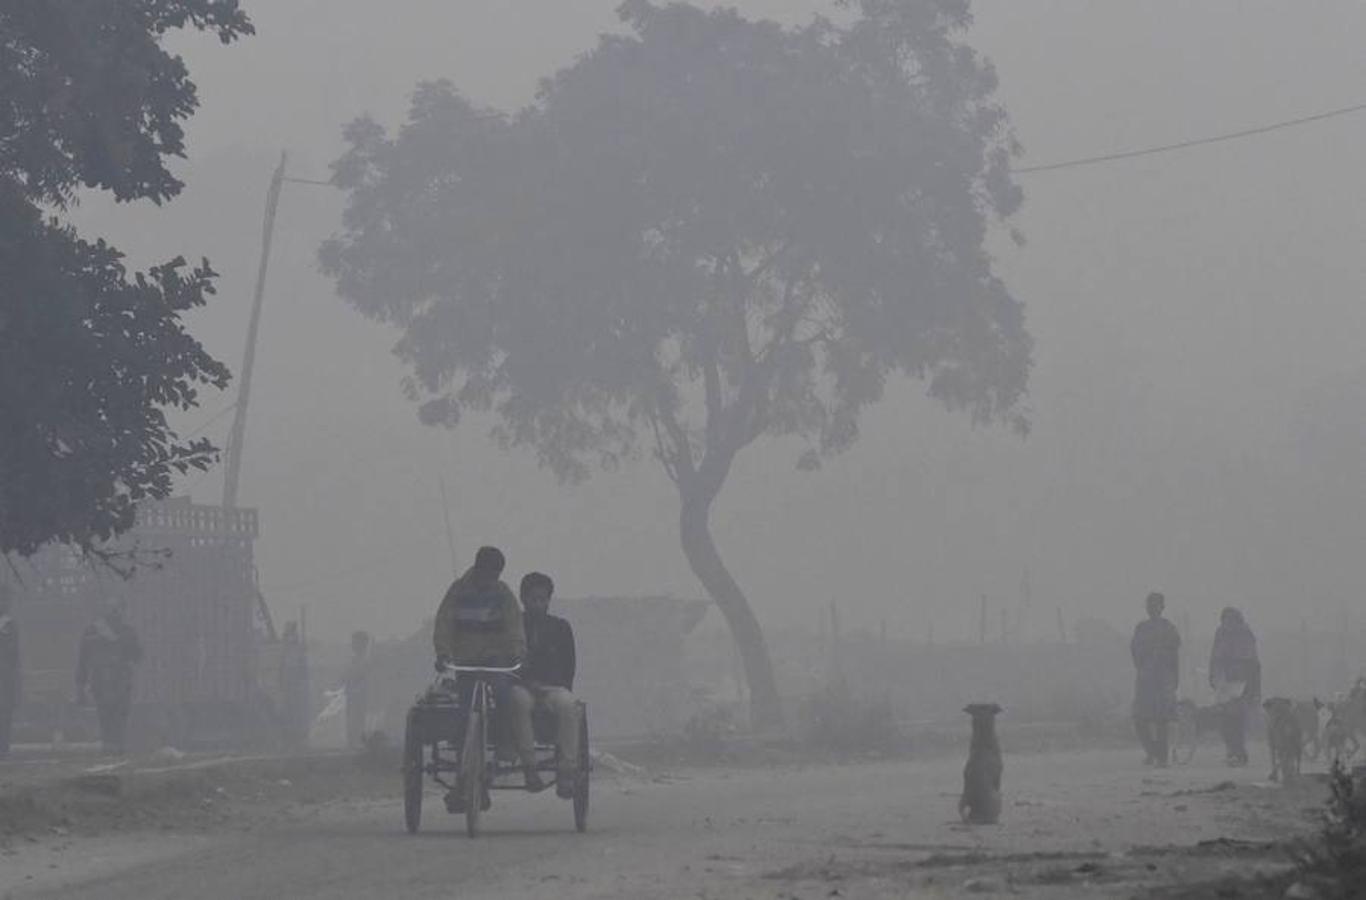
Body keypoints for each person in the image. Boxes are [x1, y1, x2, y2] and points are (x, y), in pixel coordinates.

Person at [433, 546, 541, 792]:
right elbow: (444, 624)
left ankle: (504, 742)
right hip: (465, 661)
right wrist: (443, 652)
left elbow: (515, 626)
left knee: (503, 695)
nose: (492, 579)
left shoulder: (503, 594)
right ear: (478, 567)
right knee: (463, 713)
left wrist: (518, 652)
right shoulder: (458, 591)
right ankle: (464, 764)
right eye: (490, 573)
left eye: (496, 574)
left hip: (495, 660)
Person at [515, 572, 581, 799]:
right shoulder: (513, 628)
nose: (538, 604)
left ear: (549, 600)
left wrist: (555, 685)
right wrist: (527, 682)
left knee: (569, 705)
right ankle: (530, 766)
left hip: (553, 688)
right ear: (523, 599)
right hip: (522, 687)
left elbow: (569, 666)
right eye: (534, 599)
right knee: (518, 701)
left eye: (543, 599)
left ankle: (567, 771)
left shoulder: (561, 627)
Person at [75, 599, 144, 755]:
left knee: (110, 718)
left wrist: (80, 685)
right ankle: (113, 750)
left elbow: (137, 655)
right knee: (112, 718)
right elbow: (83, 659)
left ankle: (113, 750)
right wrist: (80, 685)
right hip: (109, 682)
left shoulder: (93, 631)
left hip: (112, 681)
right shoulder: (124, 631)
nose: (115, 611)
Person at [1130, 591, 1181, 766]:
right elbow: (1135, 653)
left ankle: (1162, 756)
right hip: (1145, 679)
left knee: (1162, 719)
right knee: (1140, 718)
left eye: (1155, 605)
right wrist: (1144, 667)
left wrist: (1174, 678)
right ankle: (1152, 752)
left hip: (1163, 679)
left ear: (1162, 607)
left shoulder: (1169, 628)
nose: (1152, 608)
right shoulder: (1141, 628)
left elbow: (1174, 656)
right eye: (1149, 605)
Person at [1209, 606, 1260, 767]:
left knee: (1236, 719)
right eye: (1225, 619)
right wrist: (1213, 675)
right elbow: (1214, 656)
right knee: (1224, 719)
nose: (1227, 623)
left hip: (1241, 683)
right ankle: (1232, 750)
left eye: (1231, 619)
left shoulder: (1244, 634)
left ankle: (1238, 752)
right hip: (1224, 682)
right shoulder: (1221, 633)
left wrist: (1253, 686)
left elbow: (1252, 662)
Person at [344, 630, 372, 749]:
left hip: (360, 697)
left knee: (358, 721)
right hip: (352, 697)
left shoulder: (365, 662)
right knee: (352, 721)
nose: (353, 645)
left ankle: (356, 744)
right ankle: (353, 744)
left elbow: (365, 680)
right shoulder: (354, 661)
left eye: (355, 642)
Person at [0, 584, 18, 758]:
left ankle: (3, 747)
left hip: (4, 677)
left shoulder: (9, 625)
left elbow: (13, 655)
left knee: (4, 713)